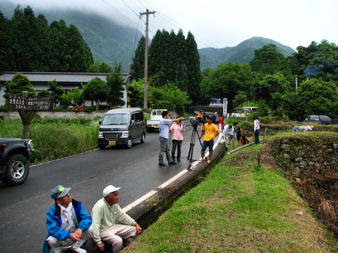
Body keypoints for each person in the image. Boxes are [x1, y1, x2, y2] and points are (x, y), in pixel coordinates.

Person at [91, 185, 142, 253]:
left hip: (112, 226)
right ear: (108, 198)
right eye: (115, 195)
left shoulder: (115, 204)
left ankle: (127, 247)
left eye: (117, 194)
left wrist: (134, 223)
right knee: (118, 241)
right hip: (102, 230)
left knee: (134, 230)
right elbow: (95, 224)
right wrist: (98, 241)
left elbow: (122, 216)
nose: (118, 197)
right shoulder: (99, 206)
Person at [43, 185, 92, 253]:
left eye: (67, 193)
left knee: (90, 229)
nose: (68, 195)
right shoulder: (52, 212)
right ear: (59, 201)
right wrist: (69, 235)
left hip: (75, 234)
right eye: (65, 195)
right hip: (62, 238)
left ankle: (76, 246)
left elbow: (87, 218)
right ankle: (58, 250)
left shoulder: (76, 205)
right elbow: (53, 229)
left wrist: (80, 229)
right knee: (51, 240)